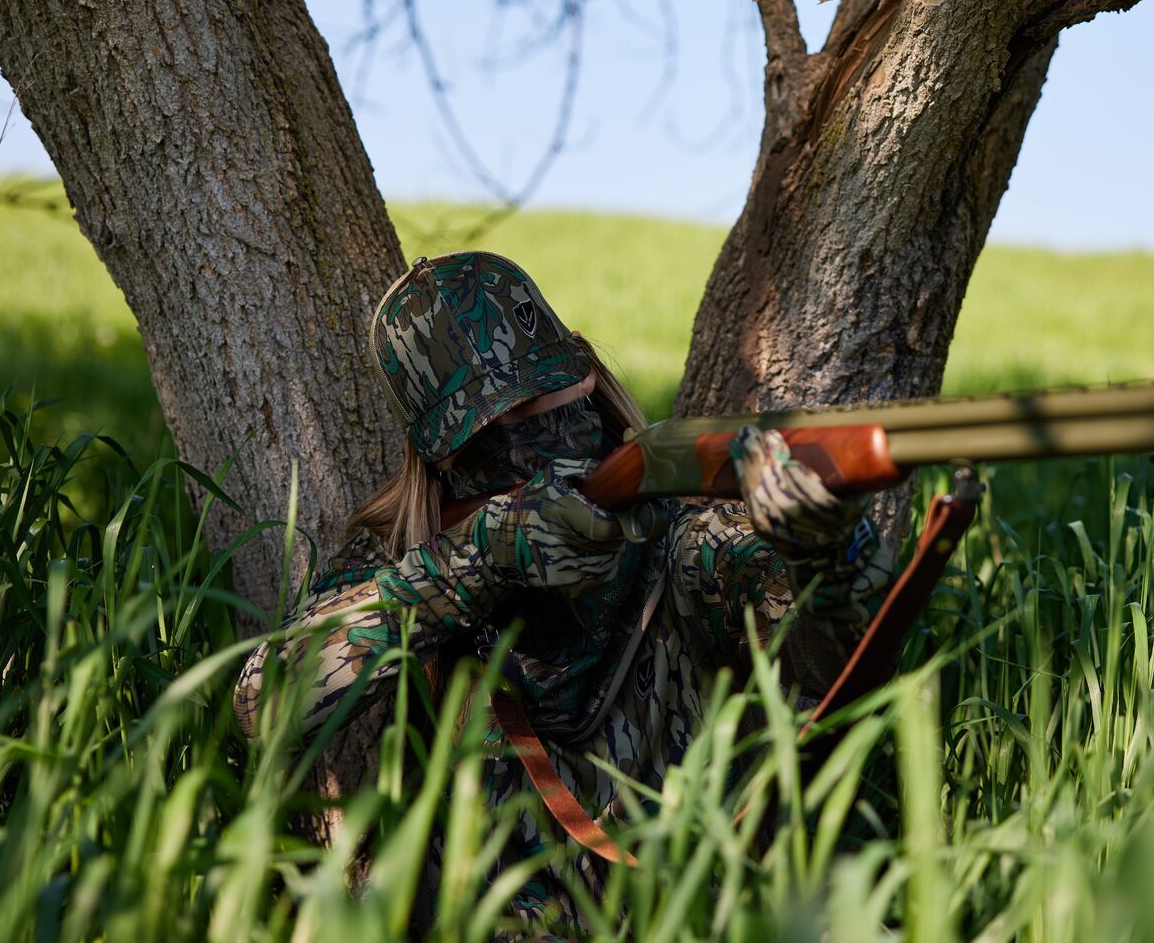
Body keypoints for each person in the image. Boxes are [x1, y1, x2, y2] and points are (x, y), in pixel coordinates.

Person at [233, 251, 894, 935]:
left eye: (542, 400)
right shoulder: (416, 550)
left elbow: (835, 662)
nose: (533, 437)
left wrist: (826, 552)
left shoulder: (679, 532)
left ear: (586, 378)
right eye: (492, 431)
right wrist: (479, 564)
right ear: (441, 460)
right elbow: (264, 703)